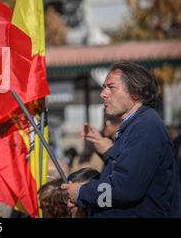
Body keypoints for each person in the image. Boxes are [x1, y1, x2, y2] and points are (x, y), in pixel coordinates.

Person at [62, 61, 181, 217]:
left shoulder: (145, 128)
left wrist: (81, 192)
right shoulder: (137, 125)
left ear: (136, 93)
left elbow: (123, 190)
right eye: (104, 87)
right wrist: (109, 151)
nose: (103, 94)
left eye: (111, 87)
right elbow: (130, 170)